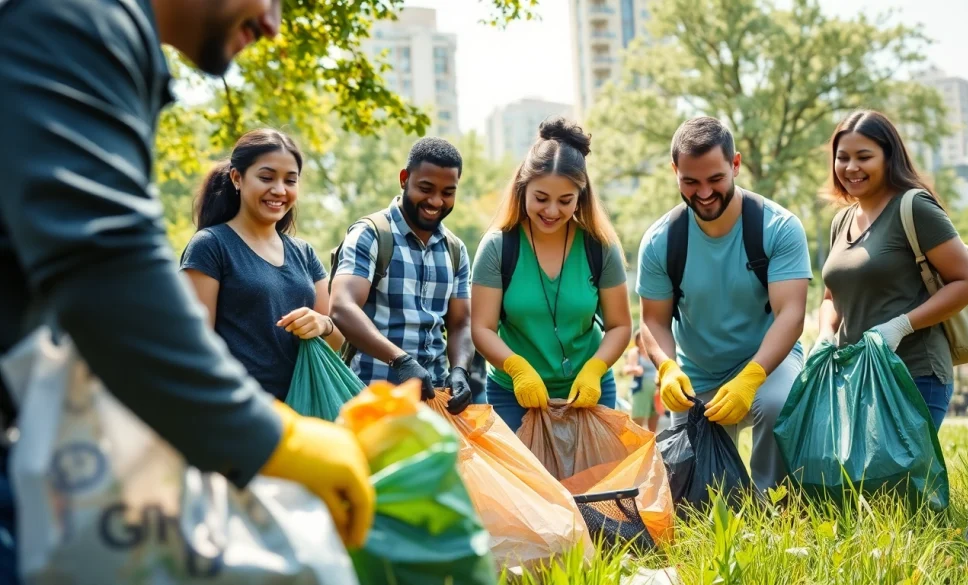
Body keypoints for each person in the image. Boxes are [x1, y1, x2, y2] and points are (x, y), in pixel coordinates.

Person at [0, 0, 373, 578]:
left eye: (289, 181)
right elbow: (105, 264)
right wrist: (266, 437)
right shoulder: (75, 20)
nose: (274, 25)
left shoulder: (103, 35)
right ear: (239, 180)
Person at [637, 116, 811, 491]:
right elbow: (653, 322)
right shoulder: (660, 241)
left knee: (779, 404)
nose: (703, 193)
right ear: (675, 172)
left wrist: (751, 377)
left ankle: (776, 507)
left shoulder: (778, 227)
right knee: (696, 493)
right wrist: (667, 368)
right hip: (697, 376)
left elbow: (791, 314)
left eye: (715, 179)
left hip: (767, 365)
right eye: (690, 181)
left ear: (735, 164)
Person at [815, 110, 968, 429]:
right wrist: (825, 333)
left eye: (864, 157)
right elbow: (830, 297)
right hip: (856, 376)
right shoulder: (842, 221)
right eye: (843, 157)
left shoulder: (914, 207)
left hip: (913, 374)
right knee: (859, 480)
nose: (851, 167)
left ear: (888, 158)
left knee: (900, 480)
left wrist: (901, 325)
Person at [470, 118, 632, 433]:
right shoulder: (498, 247)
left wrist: (595, 369)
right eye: (541, 198)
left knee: (594, 482)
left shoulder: (600, 247)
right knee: (527, 483)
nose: (552, 211)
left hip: (586, 393)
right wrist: (517, 369)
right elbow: (482, 328)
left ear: (581, 197)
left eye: (565, 201)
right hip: (513, 395)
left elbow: (620, 325)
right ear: (523, 189)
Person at [181, 129, 344, 401]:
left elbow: (336, 341)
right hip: (242, 412)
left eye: (290, 180)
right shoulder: (210, 246)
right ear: (237, 178)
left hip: (302, 410)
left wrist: (322, 324)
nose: (279, 190)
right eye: (266, 178)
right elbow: (196, 346)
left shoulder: (304, 253)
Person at [330, 138, 475, 415]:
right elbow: (341, 307)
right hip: (371, 400)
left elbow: (461, 323)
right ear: (404, 179)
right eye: (426, 188)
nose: (436, 201)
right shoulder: (371, 234)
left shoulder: (455, 250)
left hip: (434, 405)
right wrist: (401, 361)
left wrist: (459, 370)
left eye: (448, 192)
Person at [623, 330, 659, 431]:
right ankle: (638, 444)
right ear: (637, 340)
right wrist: (635, 369)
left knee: (654, 419)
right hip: (640, 390)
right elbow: (626, 369)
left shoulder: (654, 351)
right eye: (641, 339)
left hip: (656, 390)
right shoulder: (635, 352)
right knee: (638, 420)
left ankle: (652, 444)